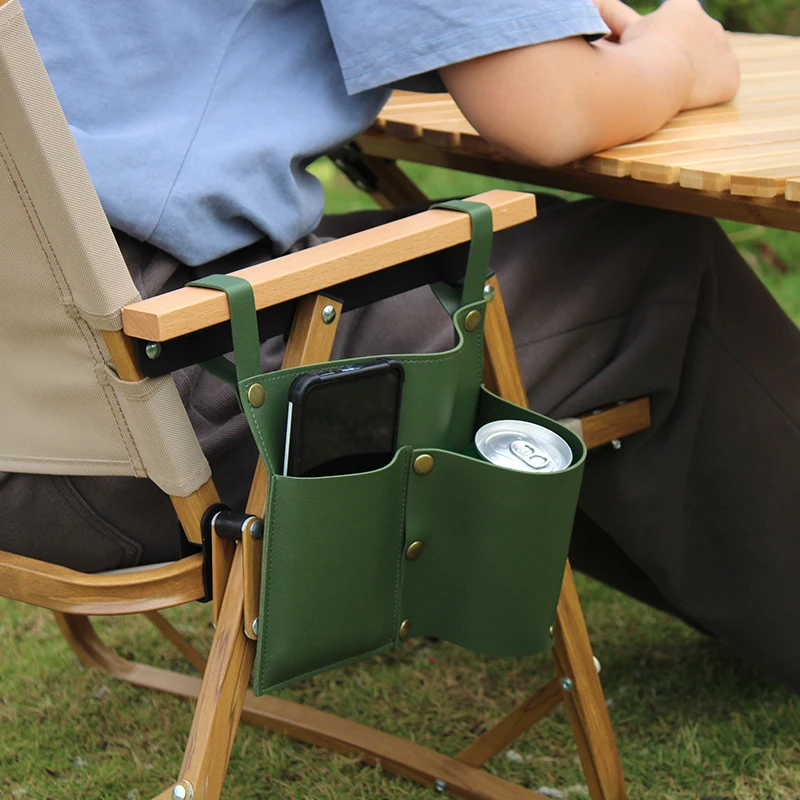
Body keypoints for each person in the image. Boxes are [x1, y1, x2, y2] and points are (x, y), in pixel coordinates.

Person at [4, 0, 799, 693]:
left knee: (513, 293)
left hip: (32, 435)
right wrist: (683, 54)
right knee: (650, 274)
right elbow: (549, 109)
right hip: (161, 423)